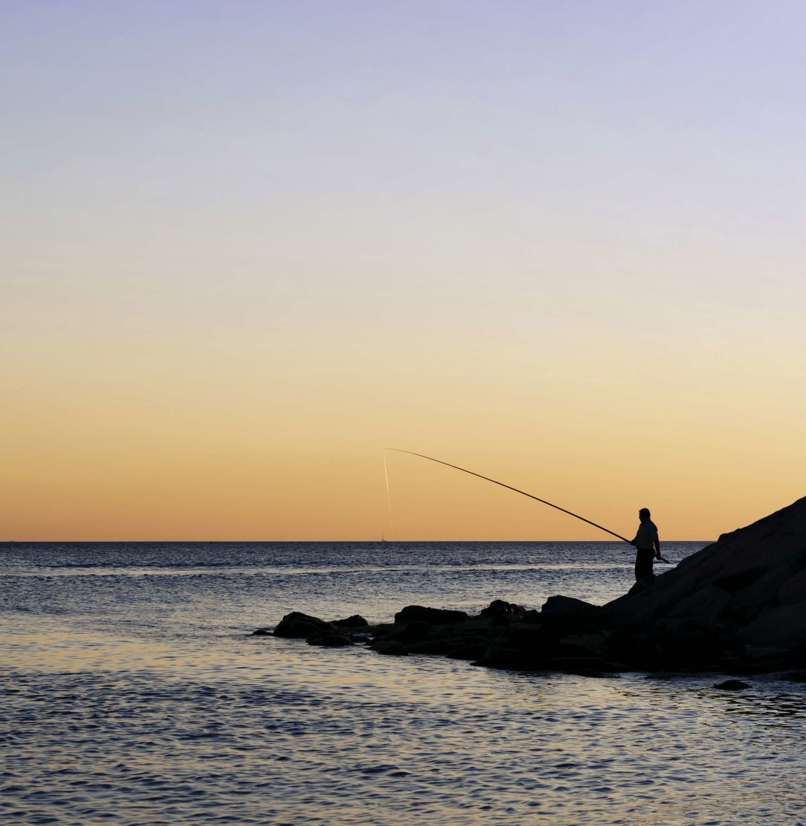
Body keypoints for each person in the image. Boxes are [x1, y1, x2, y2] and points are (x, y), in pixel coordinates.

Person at [631, 507, 661, 583]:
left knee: (647, 571)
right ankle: (641, 586)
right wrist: (634, 541)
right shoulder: (641, 525)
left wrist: (658, 553)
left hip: (647, 552)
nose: (639, 518)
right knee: (638, 571)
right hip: (640, 552)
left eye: (640, 516)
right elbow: (638, 536)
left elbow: (656, 540)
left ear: (645, 516)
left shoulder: (651, 526)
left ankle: (648, 587)